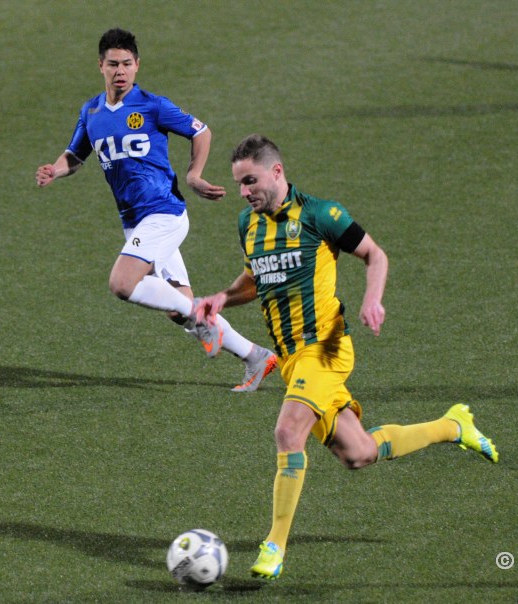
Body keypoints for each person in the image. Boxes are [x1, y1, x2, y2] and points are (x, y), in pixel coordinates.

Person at [195, 134, 499, 579]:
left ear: (276, 172)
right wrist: (222, 297)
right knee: (358, 454)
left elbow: (375, 255)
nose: (244, 191)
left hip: (327, 348)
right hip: (294, 360)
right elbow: (256, 277)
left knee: (287, 431)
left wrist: (372, 300)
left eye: (250, 181)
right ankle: (453, 426)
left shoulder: (322, 214)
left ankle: (274, 545)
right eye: (240, 184)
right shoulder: (248, 224)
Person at [35, 28, 276, 392]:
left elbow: (202, 131)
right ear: (100, 66)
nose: (121, 70)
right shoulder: (92, 111)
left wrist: (194, 174)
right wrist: (56, 169)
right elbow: (76, 155)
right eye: (113, 64)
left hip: (164, 213)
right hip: (133, 222)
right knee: (175, 307)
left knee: (122, 283)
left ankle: (203, 317)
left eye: (127, 64)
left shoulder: (152, 105)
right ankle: (256, 356)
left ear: (137, 66)